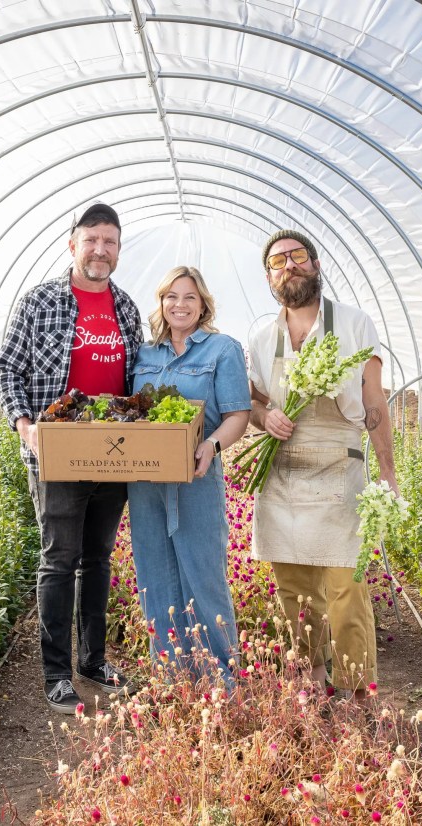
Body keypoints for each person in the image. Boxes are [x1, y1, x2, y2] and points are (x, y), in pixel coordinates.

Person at [0, 202, 143, 714]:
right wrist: (25, 425)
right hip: (58, 453)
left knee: (98, 559)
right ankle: (57, 672)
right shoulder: (40, 301)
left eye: (111, 242)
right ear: (73, 243)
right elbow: (7, 370)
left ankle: (93, 660)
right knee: (59, 560)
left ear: (119, 250)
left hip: (115, 455)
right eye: (92, 240)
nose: (101, 250)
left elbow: (135, 384)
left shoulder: (126, 307)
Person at [246, 229, 400, 699]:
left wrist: (389, 474)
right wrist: (264, 416)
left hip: (339, 466)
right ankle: (313, 686)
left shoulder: (354, 324)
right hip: (282, 472)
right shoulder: (261, 335)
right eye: (277, 262)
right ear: (270, 278)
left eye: (297, 256)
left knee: (346, 592)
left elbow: (374, 401)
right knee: (296, 596)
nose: (288, 266)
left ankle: (357, 697)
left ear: (315, 263)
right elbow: (250, 403)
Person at [127, 266, 251, 682]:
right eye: (171, 297)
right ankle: (172, 677)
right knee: (155, 577)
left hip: (197, 479)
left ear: (203, 306)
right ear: (161, 303)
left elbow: (238, 414)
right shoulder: (144, 354)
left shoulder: (222, 349)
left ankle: (223, 678)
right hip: (145, 484)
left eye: (189, 298)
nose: (180, 305)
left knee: (204, 576)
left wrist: (210, 446)